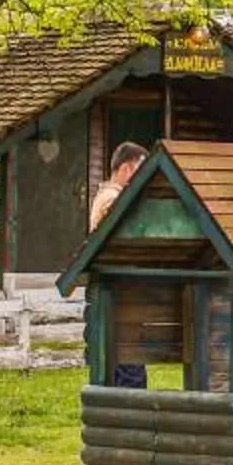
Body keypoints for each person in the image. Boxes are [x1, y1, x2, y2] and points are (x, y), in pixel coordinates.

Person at [91, 141, 149, 385]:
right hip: (120, 292)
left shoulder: (107, 196)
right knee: (129, 368)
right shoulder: (113, 199)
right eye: (140, 171)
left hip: (120, 291)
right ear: (126, 169)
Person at [89, 141, 147, 231]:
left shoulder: (112, 195)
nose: (143, 176)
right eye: (140, 170)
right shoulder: (111, 197)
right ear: (126, 169)